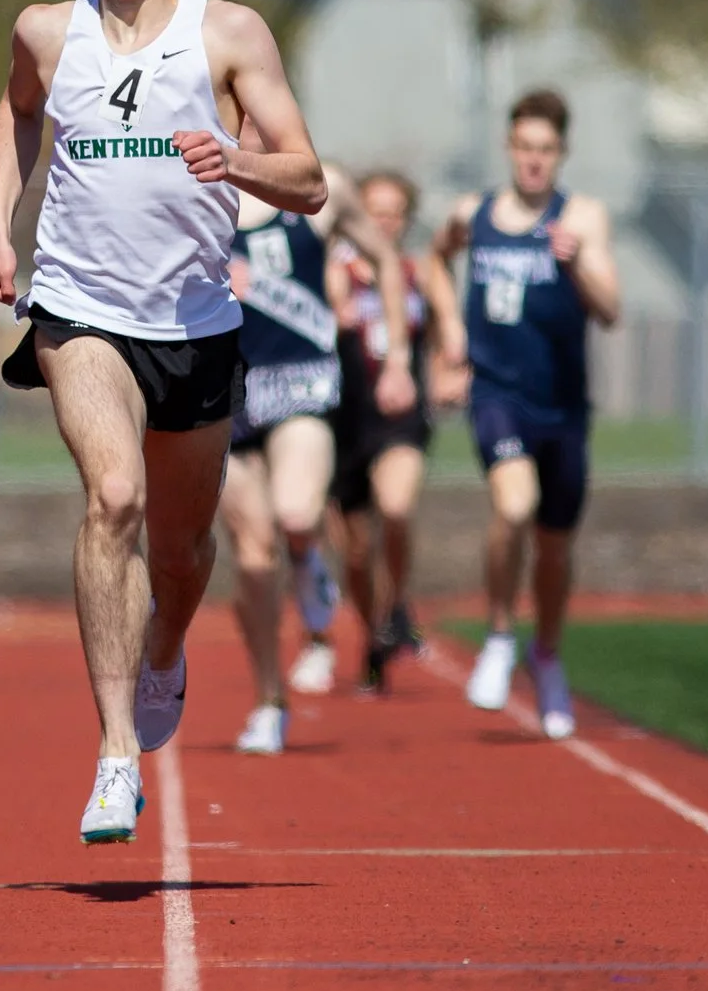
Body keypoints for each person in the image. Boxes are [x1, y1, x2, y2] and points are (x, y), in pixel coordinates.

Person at [0, 0, 329, 844]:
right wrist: (3, 224)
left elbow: (307, 178)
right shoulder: (46, 30)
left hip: (197, 327)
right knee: (113, 497)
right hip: (80, 310)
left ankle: (167, 648)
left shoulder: (230, 35)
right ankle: (114, 754)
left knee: (180, 552)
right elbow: (15, 112)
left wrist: (236, 160)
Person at [430, 89, 620, 740]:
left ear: (560, 153)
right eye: (525, 147)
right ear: (509, 148)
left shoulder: (583, 217)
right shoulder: (473, 212)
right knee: (513, 506)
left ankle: (547, 652)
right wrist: (450, 334)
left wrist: (576, 266)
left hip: (563, 404)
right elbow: (434, 259)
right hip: (496, 393)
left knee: (555, 547)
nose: (534, 160)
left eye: (546, 150)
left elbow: (611, 308)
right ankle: (500, 635)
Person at [218, 153, 415, 754]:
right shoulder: (188, 182)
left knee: (298, 515)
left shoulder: (318, 183)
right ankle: (268, 701)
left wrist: (400, 356)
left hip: (299, 382)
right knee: (252, 558)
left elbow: (381, 256)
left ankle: (307, 563)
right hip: (218, 392)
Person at [328, 170, 435, 693]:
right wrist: (336, 311)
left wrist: (453, 363)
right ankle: (374, 635)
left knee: (396, 507)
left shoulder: (423, 272)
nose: (385, 220)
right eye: (375, 210)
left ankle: (396, 606)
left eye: (394, 210)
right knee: (354, 549)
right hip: (346, 422)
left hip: (399, 419)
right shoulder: (338, 270)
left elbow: (449, 331)